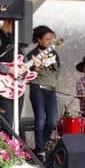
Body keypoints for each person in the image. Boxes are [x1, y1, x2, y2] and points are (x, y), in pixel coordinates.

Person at [0, 20, 30, 135]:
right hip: (2, 86)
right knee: (7, 123)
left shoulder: (18, 41)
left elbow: (23, 64)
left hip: (17, 86)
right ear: (9, 22)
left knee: (15, 122)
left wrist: (28, 69)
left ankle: (12, 148)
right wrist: (9, 70)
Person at [27, 25, 60, 160]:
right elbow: (28, 74)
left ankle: (40, 147)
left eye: (51, 39)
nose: (50, 41)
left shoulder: (54, 53)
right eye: (47, 39)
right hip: (38, 89)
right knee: (40, 120)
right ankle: (40, 152)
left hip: (51, 90)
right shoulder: (31, 55)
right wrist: (36, 68)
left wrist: (52, 83)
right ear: (39, 40)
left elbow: (57, 71)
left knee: (52, 122)